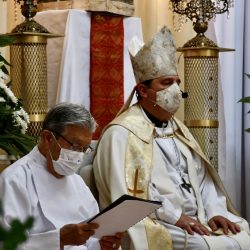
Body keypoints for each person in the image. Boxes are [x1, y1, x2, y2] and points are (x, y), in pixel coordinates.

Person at [93, 26, 250, 250]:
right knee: (207, 247)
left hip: (197, 218)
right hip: (157, 220)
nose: (175, 89)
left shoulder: (178, 129)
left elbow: (203, 180)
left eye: (177, 82)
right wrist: (177, 217)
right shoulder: (121, 133)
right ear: (143, 91)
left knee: (242, 233)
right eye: (166, 83)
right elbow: (129, 194)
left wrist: (214, 211)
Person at [0, 103, 123, 250]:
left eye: (84, 149)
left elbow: (92, 237)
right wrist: (58, 240)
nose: (79, 156)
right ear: (48, 138)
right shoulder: (15, 179)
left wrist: (103, 245)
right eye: (74, 146)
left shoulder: (77, 182)